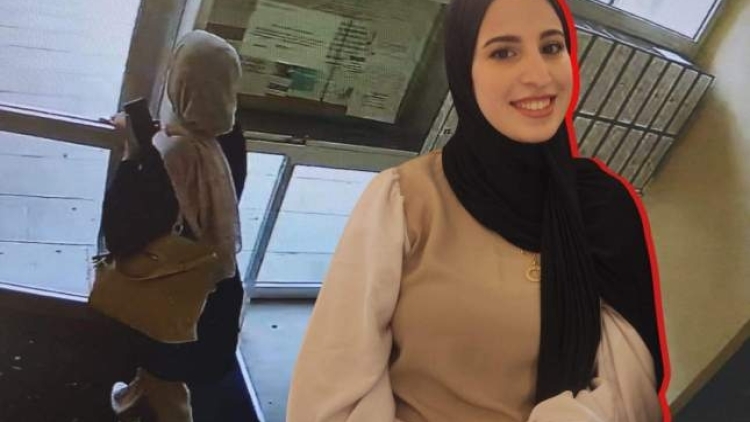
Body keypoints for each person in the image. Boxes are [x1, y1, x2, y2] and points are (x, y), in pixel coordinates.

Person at [286, 0, 669, 421]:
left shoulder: (601, 206)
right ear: (463, 69)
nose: (539, 76)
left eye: (551, 47)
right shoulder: (407, 199)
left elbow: (628, 383)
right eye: (503, 52)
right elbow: (336, 384)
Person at [100, 30, 247, 421]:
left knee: (169, 386)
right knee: (163, 373)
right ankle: (135, 395)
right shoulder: (229, 136)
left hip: (176, 296)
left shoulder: (173, 152)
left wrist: (133, 154)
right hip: (217, 290)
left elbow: (122, 232)